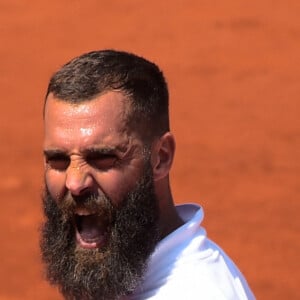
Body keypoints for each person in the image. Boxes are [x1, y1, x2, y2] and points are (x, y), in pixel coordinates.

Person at [41, 49, 255, 300]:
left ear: (161, 158)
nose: (74, 182)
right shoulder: (120, 272)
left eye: (102, 158)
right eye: (57, 161)